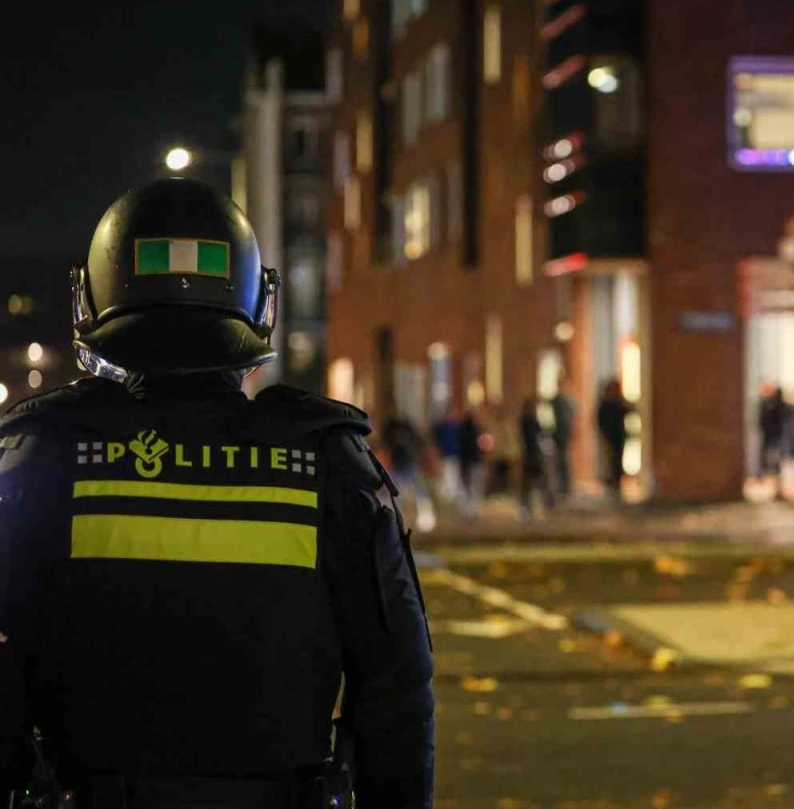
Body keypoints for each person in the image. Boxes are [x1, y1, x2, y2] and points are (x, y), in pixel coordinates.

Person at [0, 179, 433, 809]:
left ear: (92, 298)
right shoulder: (327, 460)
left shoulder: (43, 455)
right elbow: (398, 685)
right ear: (259, 300)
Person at [382, 413, 436, 533]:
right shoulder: (391, 428)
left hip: (409, 464)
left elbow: (419, 445)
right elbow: (386, 448)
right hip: (397, 465)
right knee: (393, 494)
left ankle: (425, 519)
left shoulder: (408, 428)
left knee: (420, 491)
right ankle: (393, 520)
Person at [518, 396, 554, 520]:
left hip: (529, 455)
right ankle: (547, 504)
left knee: (529, 484)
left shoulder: (524, 421)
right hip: (534, 455)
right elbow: (540, 435)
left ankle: (527, 507)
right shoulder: (531, 421)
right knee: (540, 481)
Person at [596, 378, 631, 502]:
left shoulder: (617, 403)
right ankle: (612, 481)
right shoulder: (606, 404)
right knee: (610, 460)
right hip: (610, 437)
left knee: (617, 460)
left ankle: (616, 481)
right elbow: (600, 420)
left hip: (618, 437)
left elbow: (627, 411)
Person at [549, 375, 576, 497]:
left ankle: (566, 485)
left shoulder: (567, 401)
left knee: (564, 459)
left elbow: (571, 418)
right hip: (557, 434)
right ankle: (561, 485)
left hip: (564, 434)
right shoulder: (555, 401)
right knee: (559, 460)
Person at [457, 406, 485, 519]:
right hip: (470, 461)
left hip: (468, 461)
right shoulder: (473, 429)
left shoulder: (466, 429)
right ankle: (469, 511)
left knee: (470, 487)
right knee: (471, 487)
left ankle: (469, 511)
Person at [757, 382, 783, 480]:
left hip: (774, 437)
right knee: (767, 457)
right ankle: (767, 475)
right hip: (768, 436)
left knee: (774, 457)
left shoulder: (775, 405)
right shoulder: (765, 405)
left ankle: (774, 476)